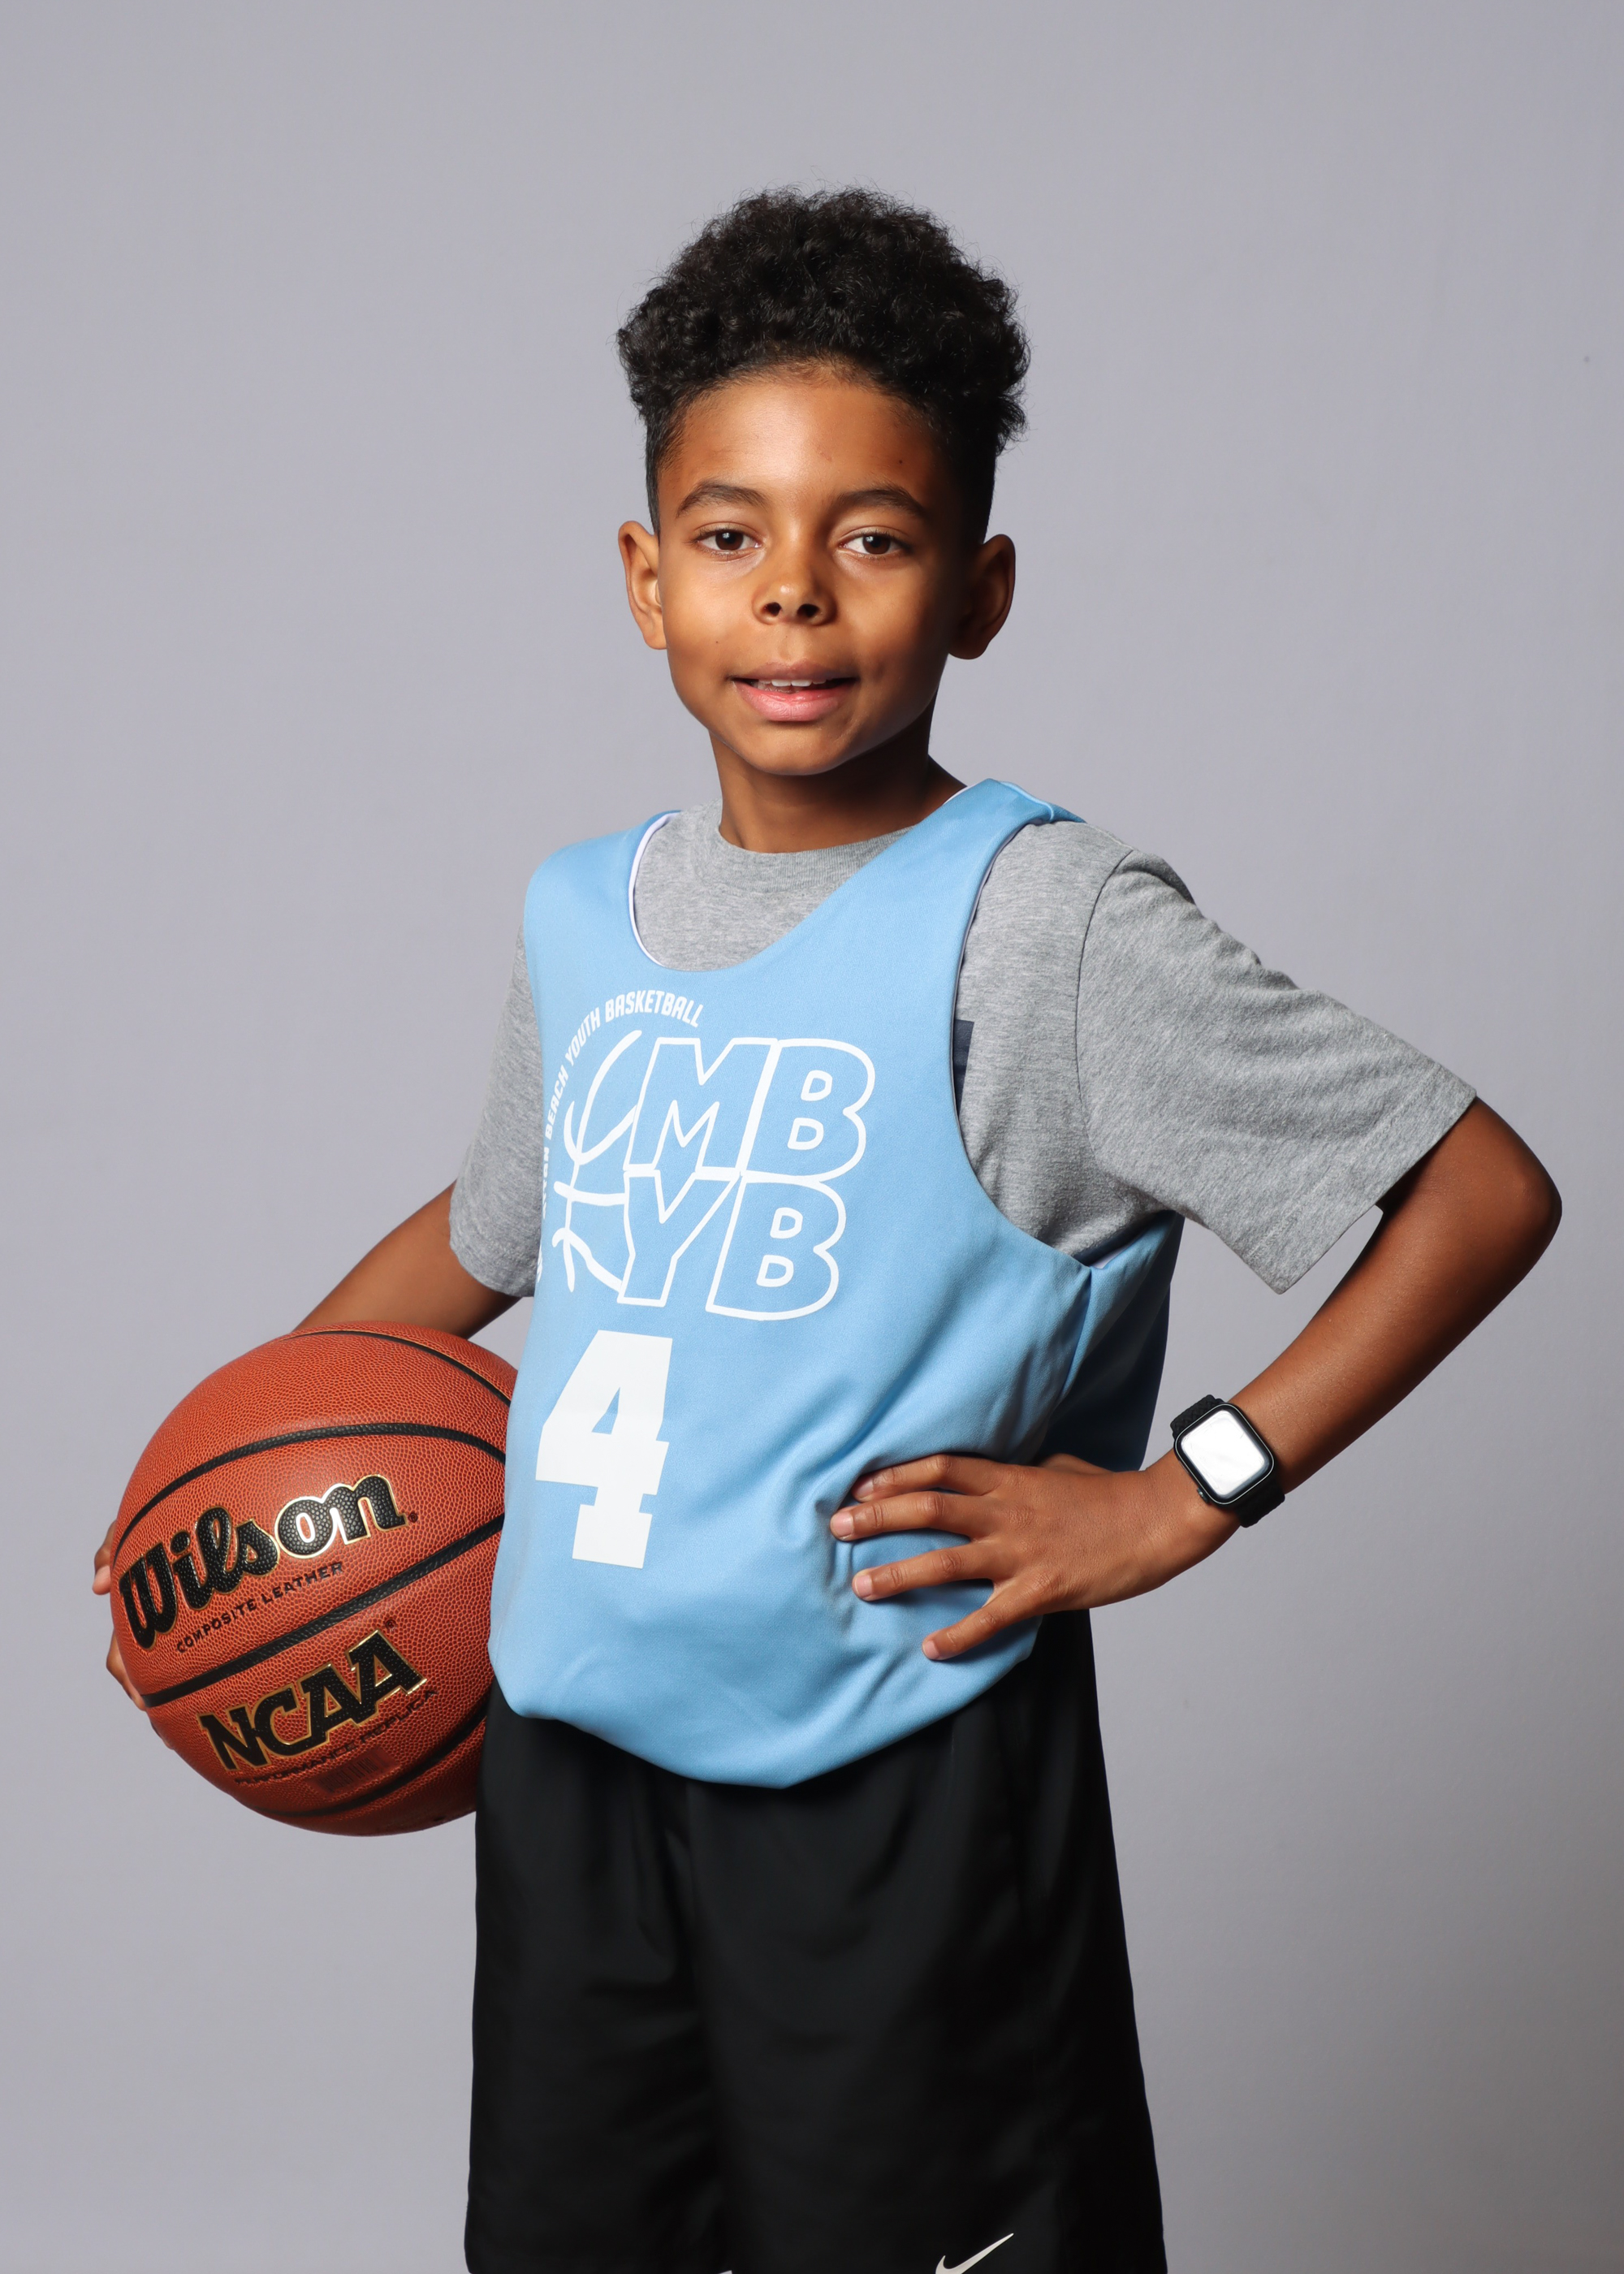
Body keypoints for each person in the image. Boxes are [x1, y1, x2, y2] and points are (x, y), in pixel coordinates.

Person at [95, 188, 1560, 2274]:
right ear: (644, 577)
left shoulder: (1041, 926)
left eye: (870, 537)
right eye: (729, 533)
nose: (791, 590)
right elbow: (496, 1231)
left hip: (897, 1765)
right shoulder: (583, 912)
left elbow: (1475, 1188)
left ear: (981, 589)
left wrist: (1181, 1494)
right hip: (572, 1760)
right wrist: (215, 1507)